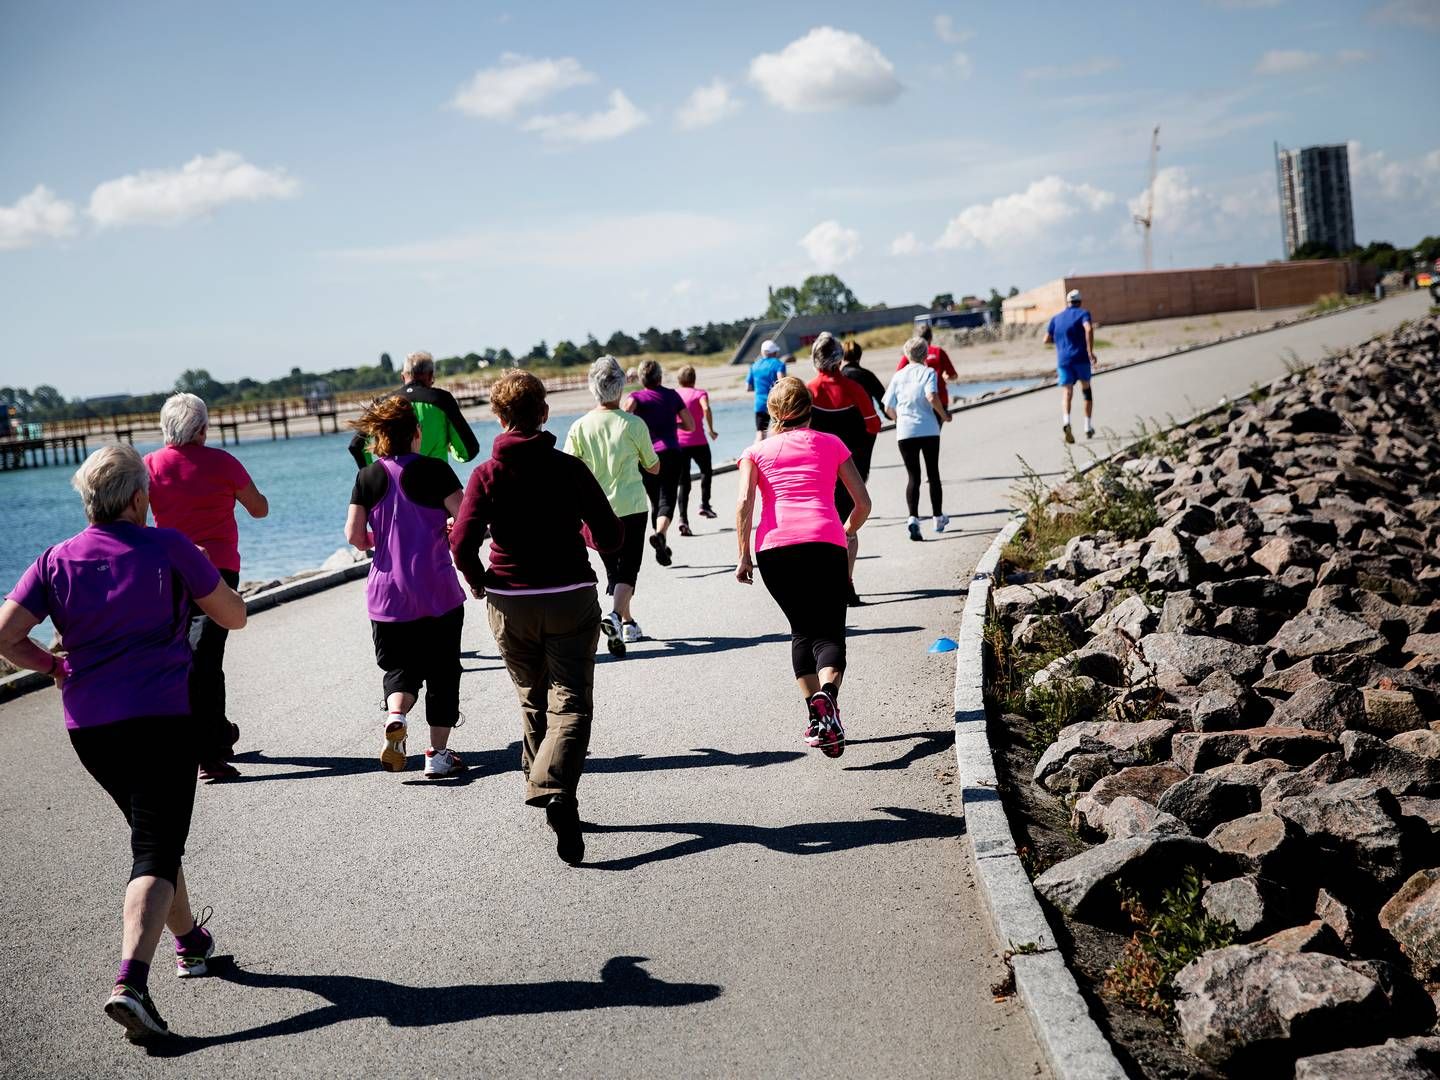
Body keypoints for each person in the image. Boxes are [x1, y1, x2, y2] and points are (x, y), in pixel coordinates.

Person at [0, 446, 247, 1042]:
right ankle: (131, 984)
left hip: (91, 729)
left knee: (153, 838)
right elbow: (233, 616)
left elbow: (6, 636)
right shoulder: (169, 547)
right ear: (140, 499)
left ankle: (191, 942)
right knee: (156, 850)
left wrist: (53, 668)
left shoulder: (55, 559)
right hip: (160, 719)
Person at [451, 372, 623, 865]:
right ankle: (556, 790)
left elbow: (461, 541)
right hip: (570, 595)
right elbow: (611, 535)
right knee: (570, 703)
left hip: (510, 601)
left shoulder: (486, 474)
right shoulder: (568, 468)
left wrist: (479, 579)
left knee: (532, 695)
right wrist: (589, 535)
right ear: (543, 413)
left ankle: (542, 780)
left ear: (499, 418)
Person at [734, 377, 871, 759]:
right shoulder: (832, 444)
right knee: (829, 632)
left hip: (775, 551)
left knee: (801, 632)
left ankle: (819, 718)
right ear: (810, 407)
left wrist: (743, 554)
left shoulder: (755, 452)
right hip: (824, 542)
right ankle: (827, 698)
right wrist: (845, 531)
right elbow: (863, 503)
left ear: (773, 414)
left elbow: (744, 503)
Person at [145, 393, 269, 782]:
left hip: (168, 573)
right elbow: (259, 509)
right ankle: (210, 754)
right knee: (205, 658)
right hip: (217, 572)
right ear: (201, 428)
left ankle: (213, 734)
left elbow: (131, 518)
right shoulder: (223, 463)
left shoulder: (146, 466)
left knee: (186, 656)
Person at [345, 397, 467, 779]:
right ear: (416, 433)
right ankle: (438, 754)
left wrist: (377, 540)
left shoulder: (367, 477)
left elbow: (354, 536)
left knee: (400, 669)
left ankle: (395, 717)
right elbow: (465, 520)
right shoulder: (437, 471)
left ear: (380, 436)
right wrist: (447, 531)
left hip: (387, 596)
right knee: (443, 672)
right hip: (436, 590)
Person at [564, 356, 661, 656]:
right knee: (628, 569)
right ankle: (616, 617)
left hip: (594, 509)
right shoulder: (633, 424)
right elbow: (654, 467)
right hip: (631, 505)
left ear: (593, 388)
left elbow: (568, 468)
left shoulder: (579, 427)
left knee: (614, 571)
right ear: (620, 388)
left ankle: (627, 623)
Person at [806, 332, 879, 606]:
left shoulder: (808, 391)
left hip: (816, 471)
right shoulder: (853, 388)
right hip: (850, 468)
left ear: (815, 361)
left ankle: (821, 585)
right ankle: (846, 584)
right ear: (840, 360)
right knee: (847, 530)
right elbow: (873, 425)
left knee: (819, 528)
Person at [348, 351, 481, 467]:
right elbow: (470, 450)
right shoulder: (442, 399)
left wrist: (373, 475)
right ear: (430, 376)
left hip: (396, 486)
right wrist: (451, 448)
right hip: (438, 484)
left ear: (403, 376)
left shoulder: (383, 404)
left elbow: (356, 445)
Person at [623, 359, 694, 567]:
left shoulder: (635, 397)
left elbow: (624, 418)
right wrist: (672, 422)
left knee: (655, 501)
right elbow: (689, 425)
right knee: (667, 499)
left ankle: (660, 540)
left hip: (646, 456)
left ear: (641, 379)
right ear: (660, 377)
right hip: (671, 452)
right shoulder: (672, 395)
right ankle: (661, 535)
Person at [884, 336, 951, 541]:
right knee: (933, 473)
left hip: (905, 432)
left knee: (913, 476)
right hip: (929, 429)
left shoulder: (898, 376)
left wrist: (899, 420)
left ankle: (913, 518)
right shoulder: (928, 372)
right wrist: (943, 415)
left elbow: (887, 407)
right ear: (925, 355)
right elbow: (932, 396)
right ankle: (938, 517)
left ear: (906, 354)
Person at [1044, 288, 1097, 443]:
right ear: (1079, 302)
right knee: (1086, 390)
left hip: (1063, 360)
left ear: (1067, 303)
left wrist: (1060, 341)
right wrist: (1090, 351)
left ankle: (1066, 422)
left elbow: (1046, 339)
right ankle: (1087, 426)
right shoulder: (1083, 314)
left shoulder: (1056, 318)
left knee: (1067, 392)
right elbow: (1088, 328)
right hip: (1081, 358)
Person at [674, 364, 719, 535]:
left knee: (684, 483)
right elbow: (706, 408)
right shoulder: (700, 393)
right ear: (693, 379)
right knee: (706, 471)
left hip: (679, 443)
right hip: (698, 441)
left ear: (679, 379)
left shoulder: (675, 394)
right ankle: (705, 505)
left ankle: (683, 519)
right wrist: (711, 429)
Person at [841, 338, 887, 481]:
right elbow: (883, 399)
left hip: (842, 428)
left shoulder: (839, 377)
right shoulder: (867, 375)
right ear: (859, 356)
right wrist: (889, 415)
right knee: (862, 468)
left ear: (842, 357)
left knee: (843, 470)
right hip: (866, 428)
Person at [895, 323, 958, 410]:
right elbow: (953, 375)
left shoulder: (910, 355)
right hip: (939, 399)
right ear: (931, 337)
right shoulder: (938, 352)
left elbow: (898, 375)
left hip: (918, 402)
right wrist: (945, 376)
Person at [745, 340, 787, 442]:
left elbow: (748, 388)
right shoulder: (779, 364)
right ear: (775, 352)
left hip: (760, 404)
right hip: (775, 403)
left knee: (760, 434)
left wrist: (761, 387)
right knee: (780, 431)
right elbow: (781, 382)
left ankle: (756, 456)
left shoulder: (754, 366)